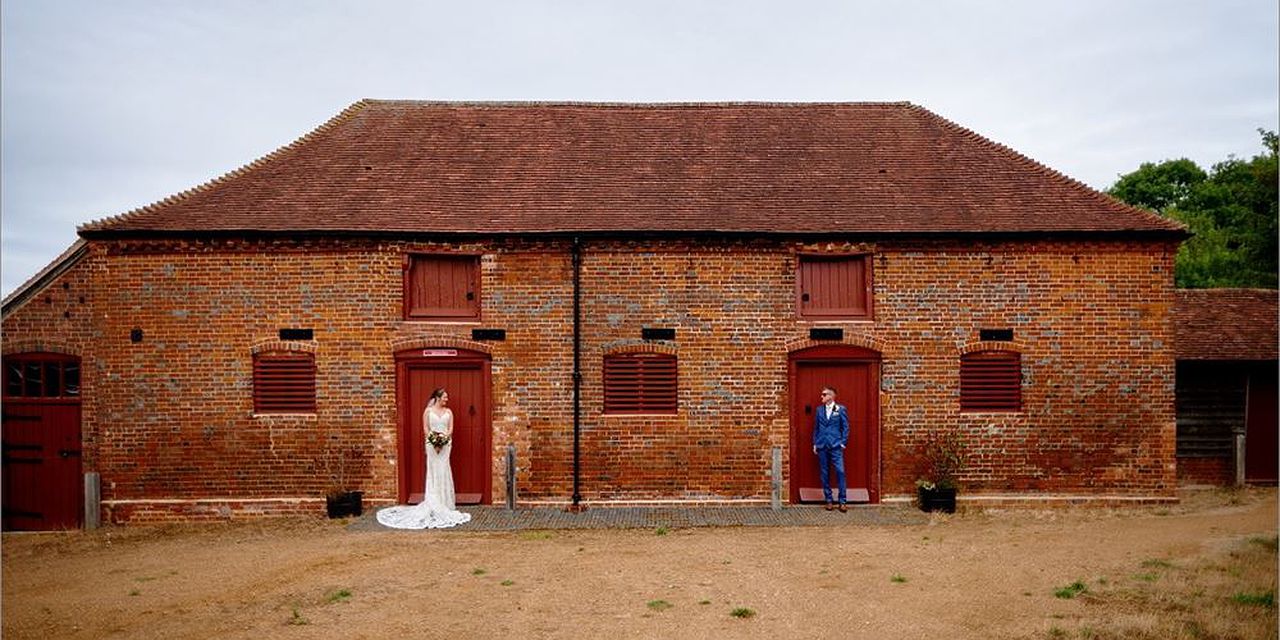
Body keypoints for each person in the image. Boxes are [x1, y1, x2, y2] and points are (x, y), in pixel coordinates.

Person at [376, 387, 472, 529]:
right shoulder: (428, 411)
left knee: (444, 468)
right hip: (431, 444)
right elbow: (426, 428)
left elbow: (450, 428)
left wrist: (444, 439)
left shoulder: (449, 412)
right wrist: (433, 441)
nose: (447, 399)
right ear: (438, 398)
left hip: (446, 445)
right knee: (433, 470)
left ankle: (445, 502)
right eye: (445, 397)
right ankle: (433, 500)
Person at [812, 386, 849, 512]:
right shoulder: (819, 410)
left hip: (835, 446)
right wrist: (815, 443)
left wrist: (843, 443)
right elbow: (816, 428)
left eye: (824, 394)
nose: (821, 397)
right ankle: (829, 500)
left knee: (840, 472)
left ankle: (842, 501)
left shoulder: (841, 409)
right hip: (822, 446)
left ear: (831, 396)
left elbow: (845, 427)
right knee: (824, 473)